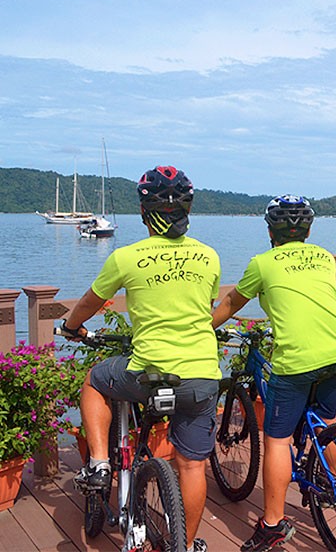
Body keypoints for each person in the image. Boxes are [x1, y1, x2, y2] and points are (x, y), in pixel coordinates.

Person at [62, 166, 221, 552]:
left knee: (95, 380)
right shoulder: (209, 257)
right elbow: (206, 305)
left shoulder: (127, 257)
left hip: (148, 372)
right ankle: (184, 543)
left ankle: (100, 463)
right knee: (192, 466)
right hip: (202, 374)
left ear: (142, 210)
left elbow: (90, 302)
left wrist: (72, 326)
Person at [211, 194, 336, 552]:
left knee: (276, 439)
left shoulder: (262, 263)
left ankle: (272, 525)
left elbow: (230, 304)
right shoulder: (323, 257)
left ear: (270, 229)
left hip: (299, 361)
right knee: (321, 421)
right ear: (308, 229)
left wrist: (200, 328)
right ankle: (330, 485)